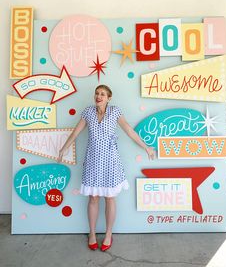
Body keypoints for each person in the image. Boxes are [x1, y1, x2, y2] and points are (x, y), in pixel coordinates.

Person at [58, 85, 155, 251]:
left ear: (109, 98)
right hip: (93, 161)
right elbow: (75, 133)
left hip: (111, 161)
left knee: (110, 198)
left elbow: (129, 131)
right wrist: (64, 148)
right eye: (96, 93)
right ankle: (92, 233)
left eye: (102, 94)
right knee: (93, 198)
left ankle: (109, 234)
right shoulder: (88, 112)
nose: (98, 96)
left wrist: (146, 147)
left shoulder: (115, 112)